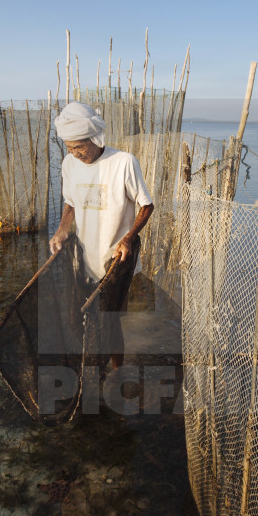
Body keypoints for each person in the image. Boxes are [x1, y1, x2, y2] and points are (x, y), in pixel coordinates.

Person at [50, 102, 154, 371]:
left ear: (94, 138)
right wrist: (62, 229)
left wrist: (129, 238)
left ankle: (117, 372)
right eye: (69, 147)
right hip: (85, 256)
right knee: (78, 318)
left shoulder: (123, 163)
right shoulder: (69, 164)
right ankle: (92, 367)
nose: (75, 153)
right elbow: (71, 203)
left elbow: (146, 204)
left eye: (79, 147)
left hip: (115, 261)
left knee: (110, 321)